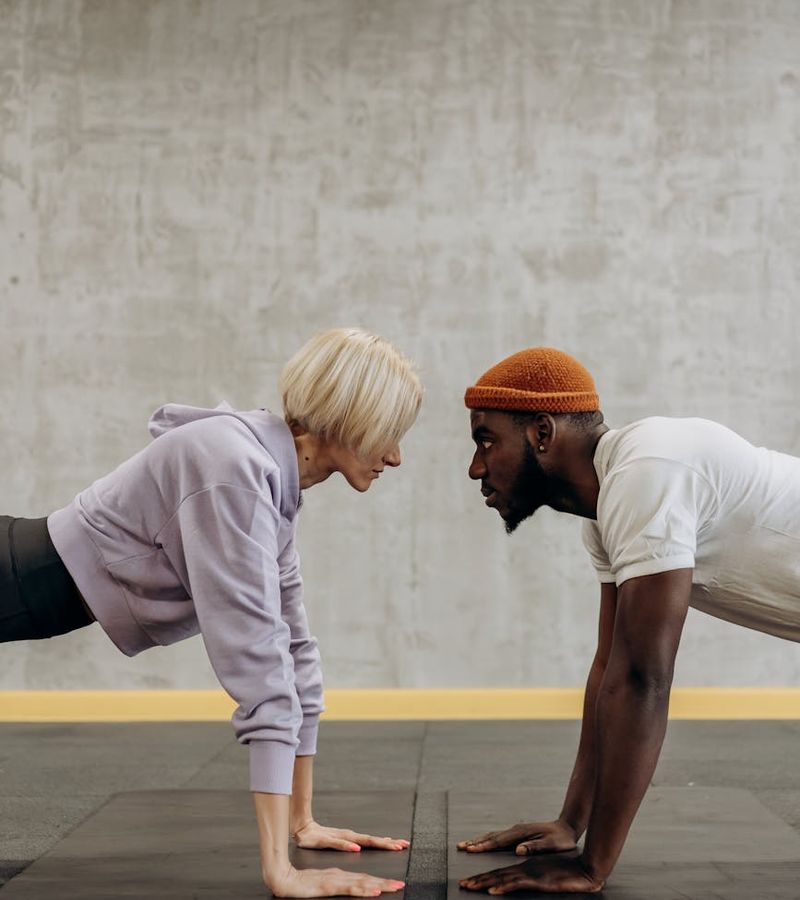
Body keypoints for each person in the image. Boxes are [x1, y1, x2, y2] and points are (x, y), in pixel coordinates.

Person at [1, 327, 423, 899]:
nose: (395, 456)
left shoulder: (268, 481)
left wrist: (304, 823)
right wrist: (281, 871)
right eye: (388, 435)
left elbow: (294, 650)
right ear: (348, 418)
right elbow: (256, 664)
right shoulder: (233, 472)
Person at [456, 346, 800, 895]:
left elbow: (644, 679)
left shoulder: (647, 471)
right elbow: (610, 670)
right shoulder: (609, 507)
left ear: (542, 433)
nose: (476, 467)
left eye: (485, 440)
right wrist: (571, 824)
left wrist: (594, 866)